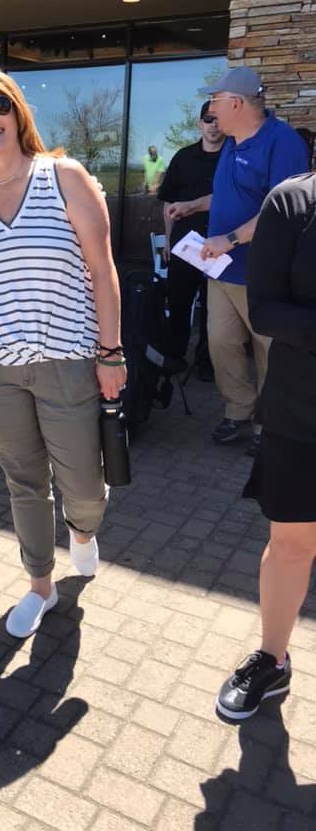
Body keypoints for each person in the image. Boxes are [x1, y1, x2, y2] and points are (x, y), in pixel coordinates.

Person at [0, 65, 125, 639]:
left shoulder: (65, 177)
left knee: (84, 489)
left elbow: (103, 272)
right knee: (23, 482)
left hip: (68, 362)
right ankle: (39, 584)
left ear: (17, 112)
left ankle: (83, 530)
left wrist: (111, 353)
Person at [167, 67, 309, 453]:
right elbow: (230, 194)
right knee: (221, 344)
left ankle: (270, 425)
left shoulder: (283, 143)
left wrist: (229, 239)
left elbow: (283, 211)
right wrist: (193, 204)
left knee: (269, 350)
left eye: (214, 101)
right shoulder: (232, 142)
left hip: (264, 273)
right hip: (222, 271)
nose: (210, 110)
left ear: (236, 103)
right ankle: (238, 411)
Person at [216, 172, 315, 720]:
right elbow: (267, 309)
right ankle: (272, 659)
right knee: (293, 543)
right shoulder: (294, 201)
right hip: (303, 411)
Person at [158, 101, 225, 379]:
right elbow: (168, 202)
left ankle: (206, 362)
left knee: (214, 310)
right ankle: (174, 357)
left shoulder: (234, 158)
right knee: (179, 303)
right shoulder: (183, 157)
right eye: (208, 119)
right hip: (185, 247)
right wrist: (168, 241)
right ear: (200, 123)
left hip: (222, 247)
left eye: (218, 119)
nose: (213, 125)